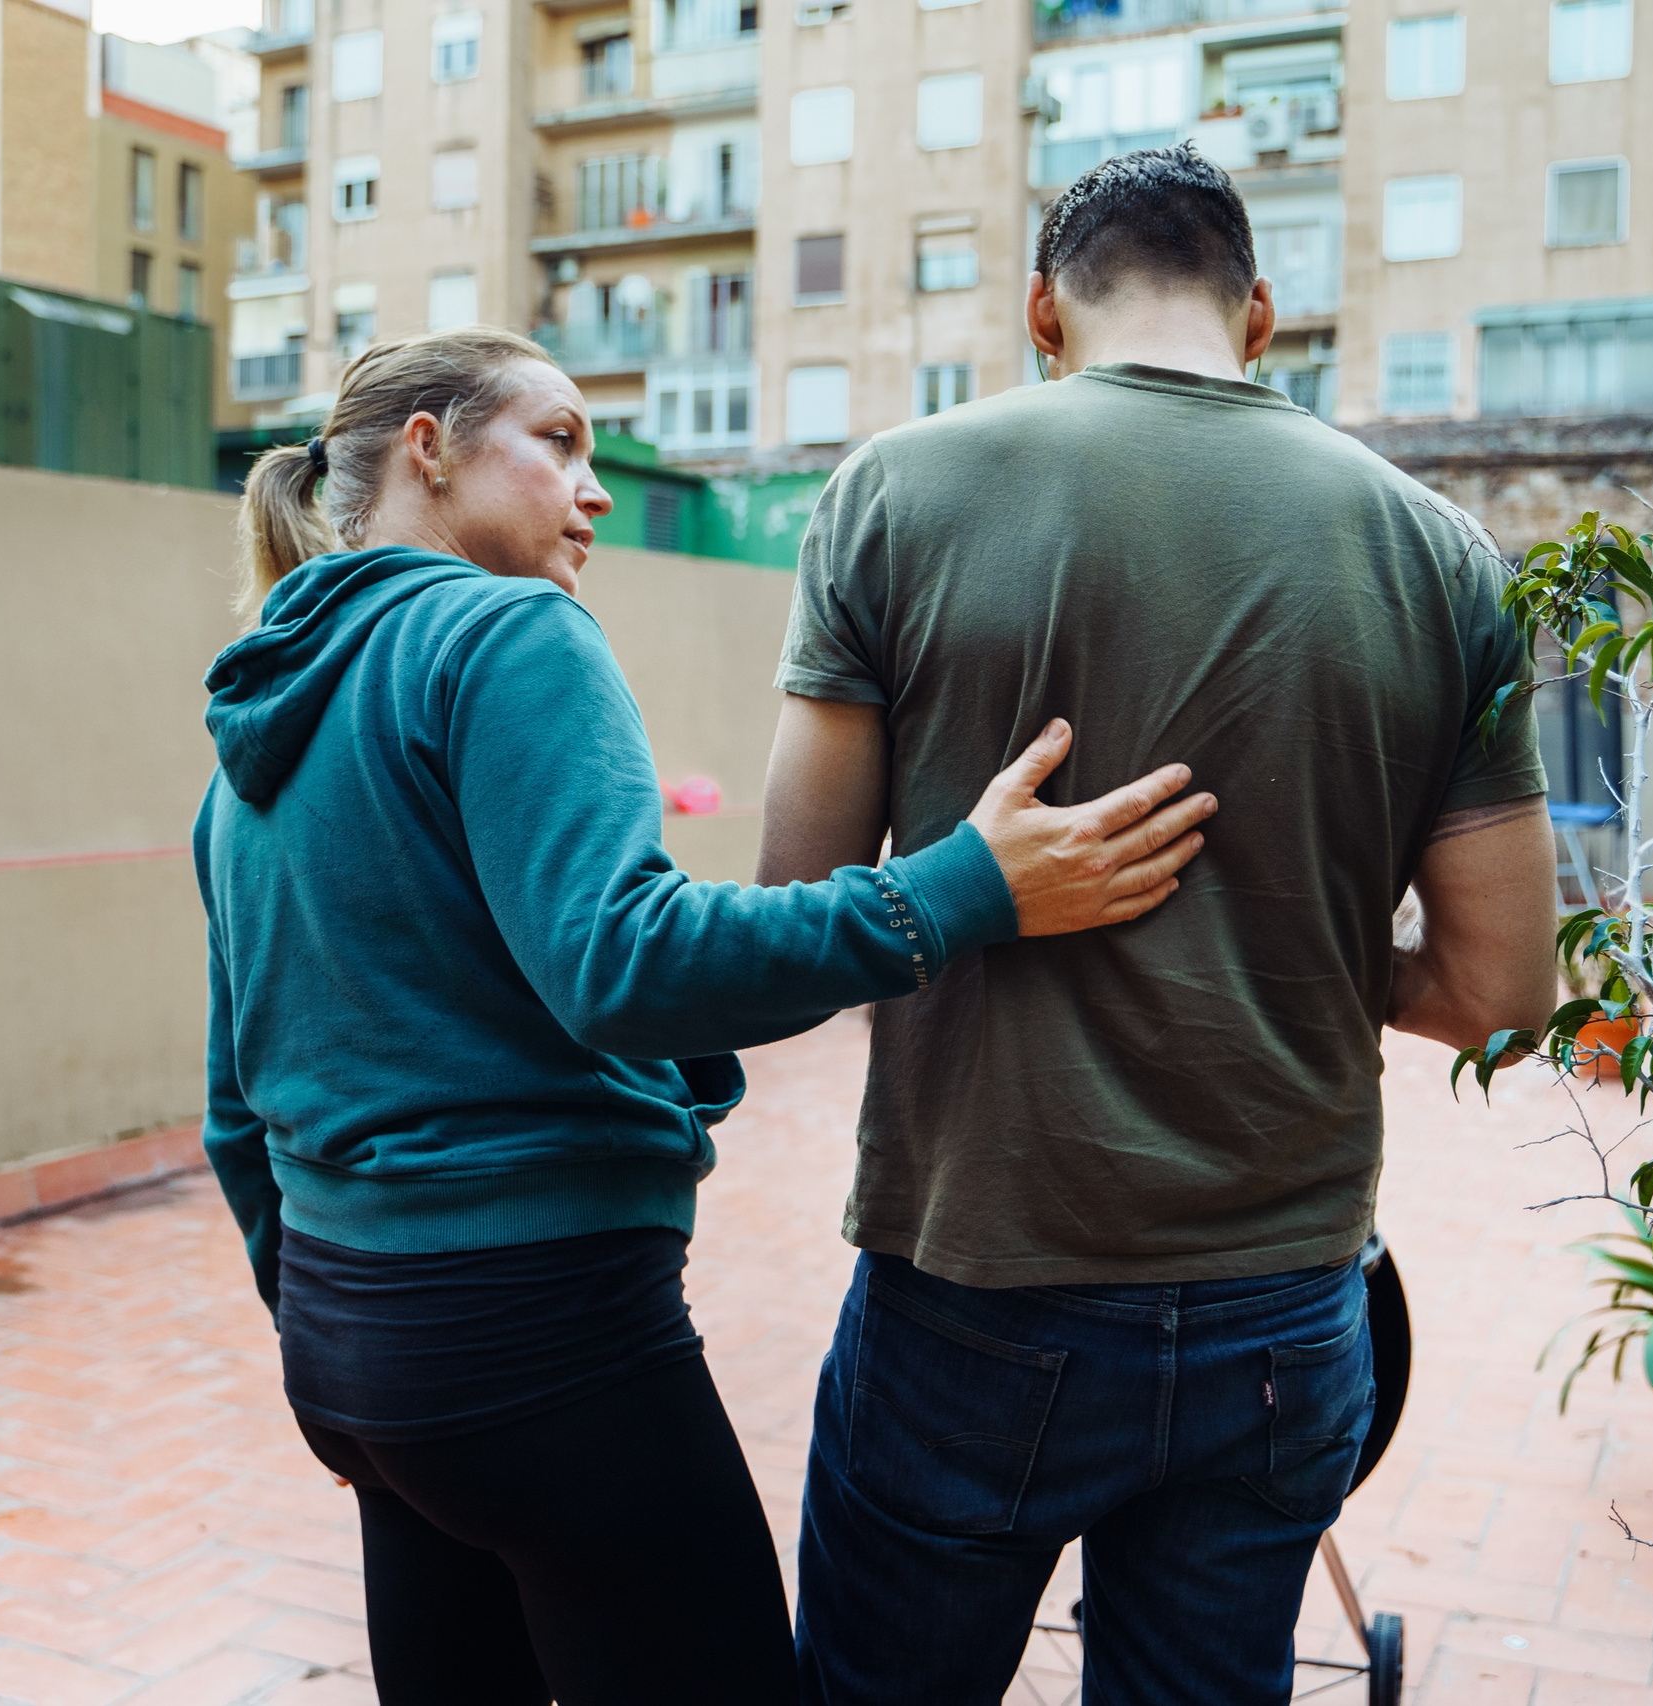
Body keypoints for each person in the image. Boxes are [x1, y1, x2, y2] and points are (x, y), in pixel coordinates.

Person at [191, 325, 1220, 1706]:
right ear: (427, 452)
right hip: (541, 1343)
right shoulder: (508, 634)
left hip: (354, 1349)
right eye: (556, 441)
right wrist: (961, 889)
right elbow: (623, 959)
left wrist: (316, 1326)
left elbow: (234, 1102)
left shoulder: (260, 720)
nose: (594, 487)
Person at [759, 146, 1560, 1705]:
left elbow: (803, 913)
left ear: (1043, 314)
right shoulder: (1439, 552)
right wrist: (1322, 941)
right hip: (1284, 1300)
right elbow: (1503, 992)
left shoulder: (891, 492)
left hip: (975, 1282)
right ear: (1262, 315)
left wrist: (982, 886)